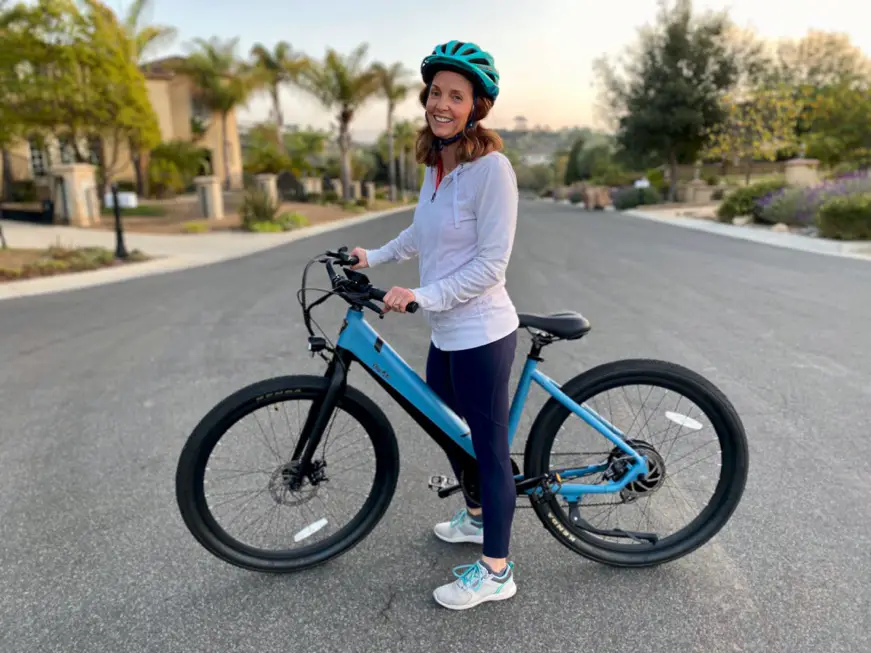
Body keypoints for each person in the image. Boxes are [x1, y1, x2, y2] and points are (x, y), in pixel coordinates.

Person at [349, 40, 520, 611]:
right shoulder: (438, 166)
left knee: (490, 450)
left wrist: (421, 294)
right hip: (447, 334)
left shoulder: (492, 170)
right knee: (446, 427)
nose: (441, 104)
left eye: (456, 95)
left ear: (476, 106)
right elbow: (420, 235)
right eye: (436, 93)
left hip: (483, 334)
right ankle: (476, 517)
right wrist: (370, 257)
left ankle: (497, 571)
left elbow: (490, 266)